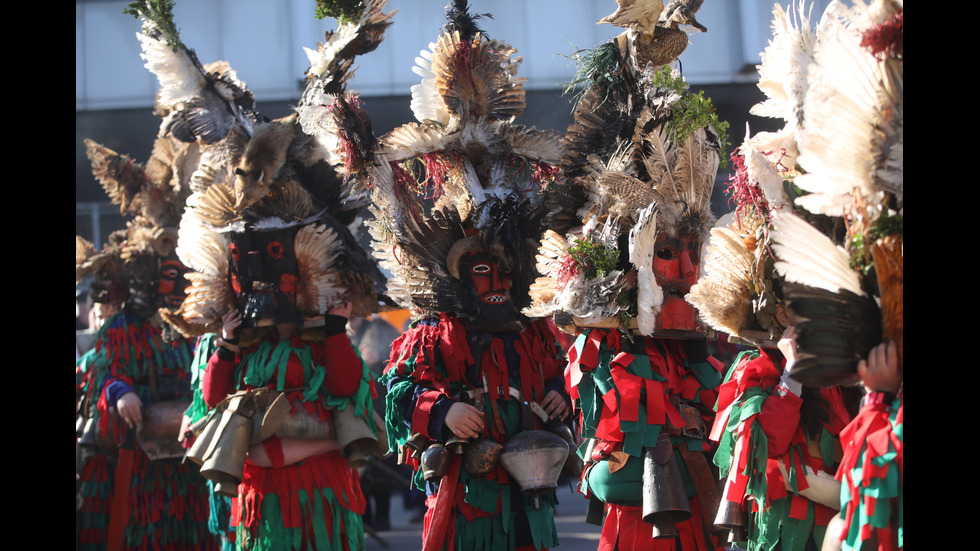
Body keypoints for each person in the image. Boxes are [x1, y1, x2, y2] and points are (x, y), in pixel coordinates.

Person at [202, 304, 373, 550]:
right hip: (263, 490)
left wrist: (335, 329)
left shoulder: (323, 340)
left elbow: (345, 386)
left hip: (319, 488)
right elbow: (213, 397)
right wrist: (228, 343)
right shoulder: (247, 345)